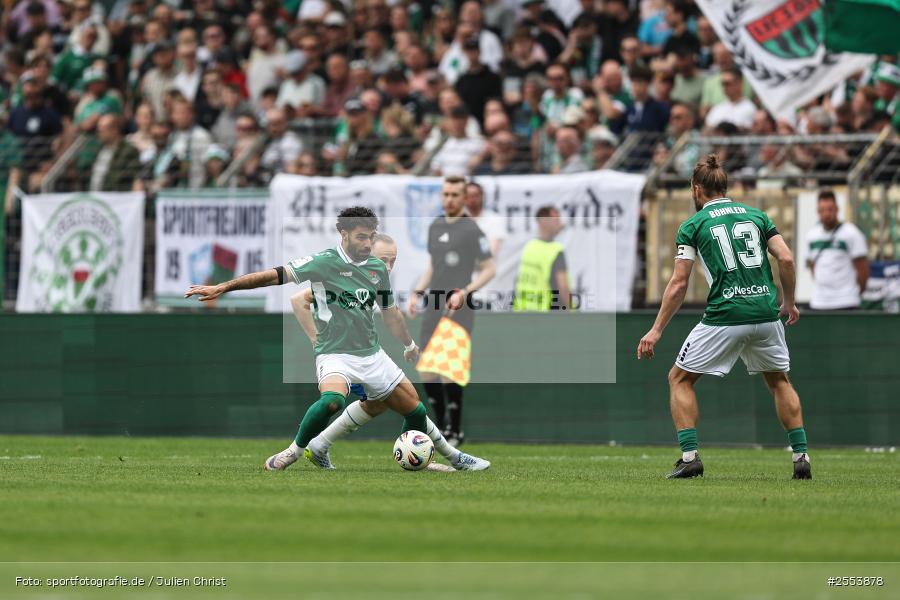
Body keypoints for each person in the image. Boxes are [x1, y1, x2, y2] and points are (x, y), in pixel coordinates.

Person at [184, 207, 489, 472]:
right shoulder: (323, 262)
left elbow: (391, 313)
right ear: (343, 234)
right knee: (332, 400)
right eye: (361, 237)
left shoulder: (375, 269)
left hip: (372, 354)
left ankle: (427, 459)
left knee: (416, 411)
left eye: (371, 237)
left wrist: (408, 345)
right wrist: (224, 286)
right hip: (335, 353)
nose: (368, 243)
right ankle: (294, 450)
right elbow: (273, 275)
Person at [636, 155, 811, 481]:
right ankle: (801, 457)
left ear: (697, 188)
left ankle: (690, 457)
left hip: (725, 314)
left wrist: (656, 329)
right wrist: (789, 302)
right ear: (725, 186)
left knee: (679, 379)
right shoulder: (757, 215)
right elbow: (785, 258)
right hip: (766, 312)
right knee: (779, 381)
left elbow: (678, 283)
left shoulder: (693, 224)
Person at [291, 234, 476, 472]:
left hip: (365, 353)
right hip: (346, 357)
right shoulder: (345, 275)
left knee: (381, 404)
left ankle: (319, 445)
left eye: (393, 261)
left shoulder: (375, 278)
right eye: (383, 260)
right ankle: (451, 456)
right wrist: (318, 341)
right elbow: (298, 300)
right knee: (400, 403)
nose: (387, 266)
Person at [408, 177, 496, 446]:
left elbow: (490, 269)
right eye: (446, 194)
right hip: (433, 305)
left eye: (455, 195)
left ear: (464, 198)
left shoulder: (472, 230)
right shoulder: (435, 225)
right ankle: (441, 426)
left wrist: (465, 292)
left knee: (449, 368)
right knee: (426, 369)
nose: (449, 199)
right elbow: (433, 265)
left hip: (460, 307)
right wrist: (418, 291)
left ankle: (454, 431)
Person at [806, 190, 869, 310]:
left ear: (837, 209)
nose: (826, 214)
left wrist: (855, 293)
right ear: (818, 212)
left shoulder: (851, 233)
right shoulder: (811, 236)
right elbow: (812, 265)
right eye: (822, 210)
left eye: (830, 209)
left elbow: (862, 268)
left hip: (846, 301)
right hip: (819, 302)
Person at [513, 205, 571, 311]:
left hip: (523, 311)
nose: (560, 223)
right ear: (544, 221)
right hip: (546, 316)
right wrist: (572, 312)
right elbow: (563, 287)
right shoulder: (555, 250)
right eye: (556, 219)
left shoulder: (529, 247)